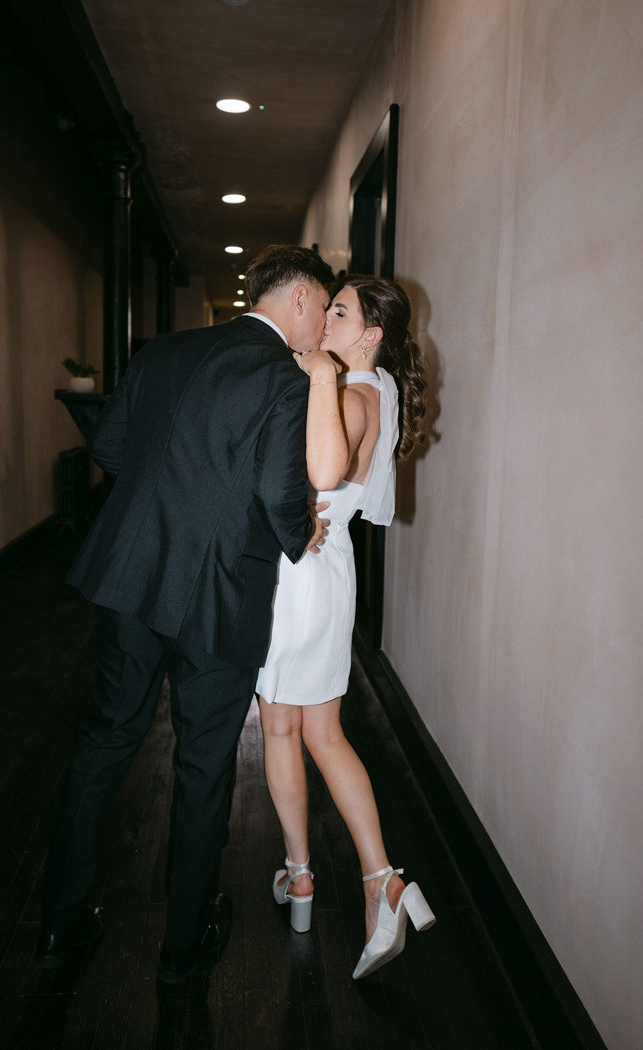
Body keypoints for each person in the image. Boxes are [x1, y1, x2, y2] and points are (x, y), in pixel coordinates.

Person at [36, 244, 335, 983]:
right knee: (203, 765)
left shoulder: (162, 350)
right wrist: (307, 531)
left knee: (107, 737)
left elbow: (108, 444)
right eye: (325, 309)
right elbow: (275, 493)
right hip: (219, 595)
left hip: (133, 580)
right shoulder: (282, 377)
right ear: (296, 298)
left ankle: (58, 925)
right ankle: (181, 947)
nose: (324, 327)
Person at [256, 274, 436, 979]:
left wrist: (314, 374)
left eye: (339, 310)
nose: (325, 317)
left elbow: (318, 471)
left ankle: (301, 876)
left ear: (371, 335)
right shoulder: (381, 391)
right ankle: (379, 878)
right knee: (325, 734)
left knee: (280, 729)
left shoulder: (349, 393)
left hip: (298, 573)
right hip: (330, 577)